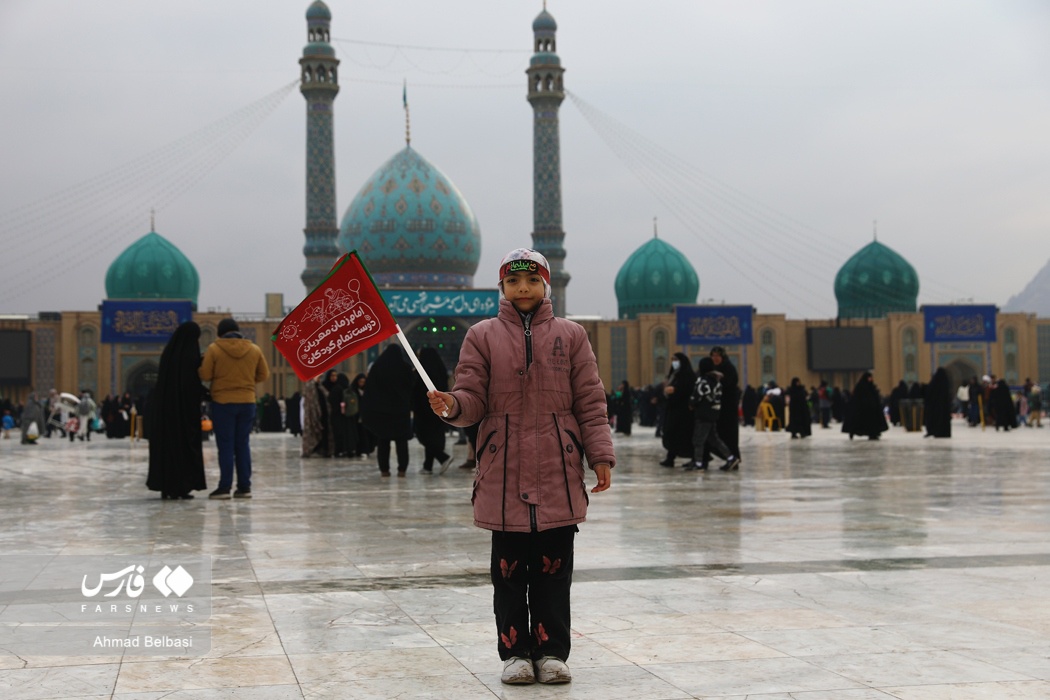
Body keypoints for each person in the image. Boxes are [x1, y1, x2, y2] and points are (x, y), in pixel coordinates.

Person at [426, 248, 614, 686]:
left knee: (553, 571)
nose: (523, 289)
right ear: (502, 288)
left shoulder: (572, 336)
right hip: (504, 470)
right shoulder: (482, 335)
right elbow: (472, 398)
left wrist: (600, 454)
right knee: (509, 575)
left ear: (546, 285)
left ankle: (550, 651)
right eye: (513, 282)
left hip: (557, 470)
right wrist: (451, 405)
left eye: (531, 281)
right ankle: (514, 653)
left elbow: (590, 401)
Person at [199, 318, 270, 499]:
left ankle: (224, 487)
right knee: (242, 444)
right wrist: (245, 382)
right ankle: (244, 487)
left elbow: (205, 374)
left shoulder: (214, 349)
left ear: (220, 334)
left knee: (226, 446)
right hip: (247, 401)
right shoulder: (254, 349)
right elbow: (264, 374)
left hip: (223, 402)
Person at [147, 321, 207, 499]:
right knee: (184, 448)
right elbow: (192, 385)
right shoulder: (191, 356)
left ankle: (167, 487)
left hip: (166, 413)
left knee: (168, 448)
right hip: (185, 413)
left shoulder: (168, 354)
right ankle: (183, 486)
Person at [360, 345, 415, 477]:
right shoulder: (406, 368)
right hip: (400, 411)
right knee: (401, 442)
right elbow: (412, 388)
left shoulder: (377, 368)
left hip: (381, 412)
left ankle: (384, 470)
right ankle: (402, 470)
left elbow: (369, 390)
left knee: (383, 441)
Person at [686, 357, 739, 471]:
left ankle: (698, 464)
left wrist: (691, 404)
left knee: (698, 440)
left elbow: (696, 396)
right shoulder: (717, 381)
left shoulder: (703, 381)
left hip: (703, 414)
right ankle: (731, 458)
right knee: (714, 439)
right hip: (713, 413)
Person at [412, 347, 452, 473]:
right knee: (434, 437)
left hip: (424, 410)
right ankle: (427, 466)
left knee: (424, 437)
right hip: (439, 408)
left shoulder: (422, 372)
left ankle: (443, 457)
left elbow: (416, 391)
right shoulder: (441, 370)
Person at [659, 352, 696, 468]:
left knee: (684, 435)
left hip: (684, 412)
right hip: (673, 409)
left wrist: (675, 390)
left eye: (676, 360)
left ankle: (693, 458)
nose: (673, 362)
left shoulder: (688, 375)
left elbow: (688, 390)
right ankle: (670, 458)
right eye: (672, 359)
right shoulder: (674, 375)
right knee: (671, 434)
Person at [709, 347, 741, 461]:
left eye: (717, 355)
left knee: (729, 435)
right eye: (713, 355)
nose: (715, 358)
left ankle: (733, 458)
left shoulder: (728, 368)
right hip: (720, 408)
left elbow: (726, 385)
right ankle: (729, 458)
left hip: (728, 407)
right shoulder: (714, 369)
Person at [843, 371, 887, 440]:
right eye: (869, 377)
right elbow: (856, 399)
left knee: (871, 422)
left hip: (871, 409)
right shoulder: (861, 387)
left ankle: (873, 433)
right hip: (862, 410)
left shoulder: (871, 387)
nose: (871, 379)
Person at [923, 367, 952, 438]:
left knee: (935, 419)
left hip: (935, 407)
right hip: (944, 407)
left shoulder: (934, 383)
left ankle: (934, 431)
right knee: (943, 419)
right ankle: (944, 432)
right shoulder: (945, 383)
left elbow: (928, 393)